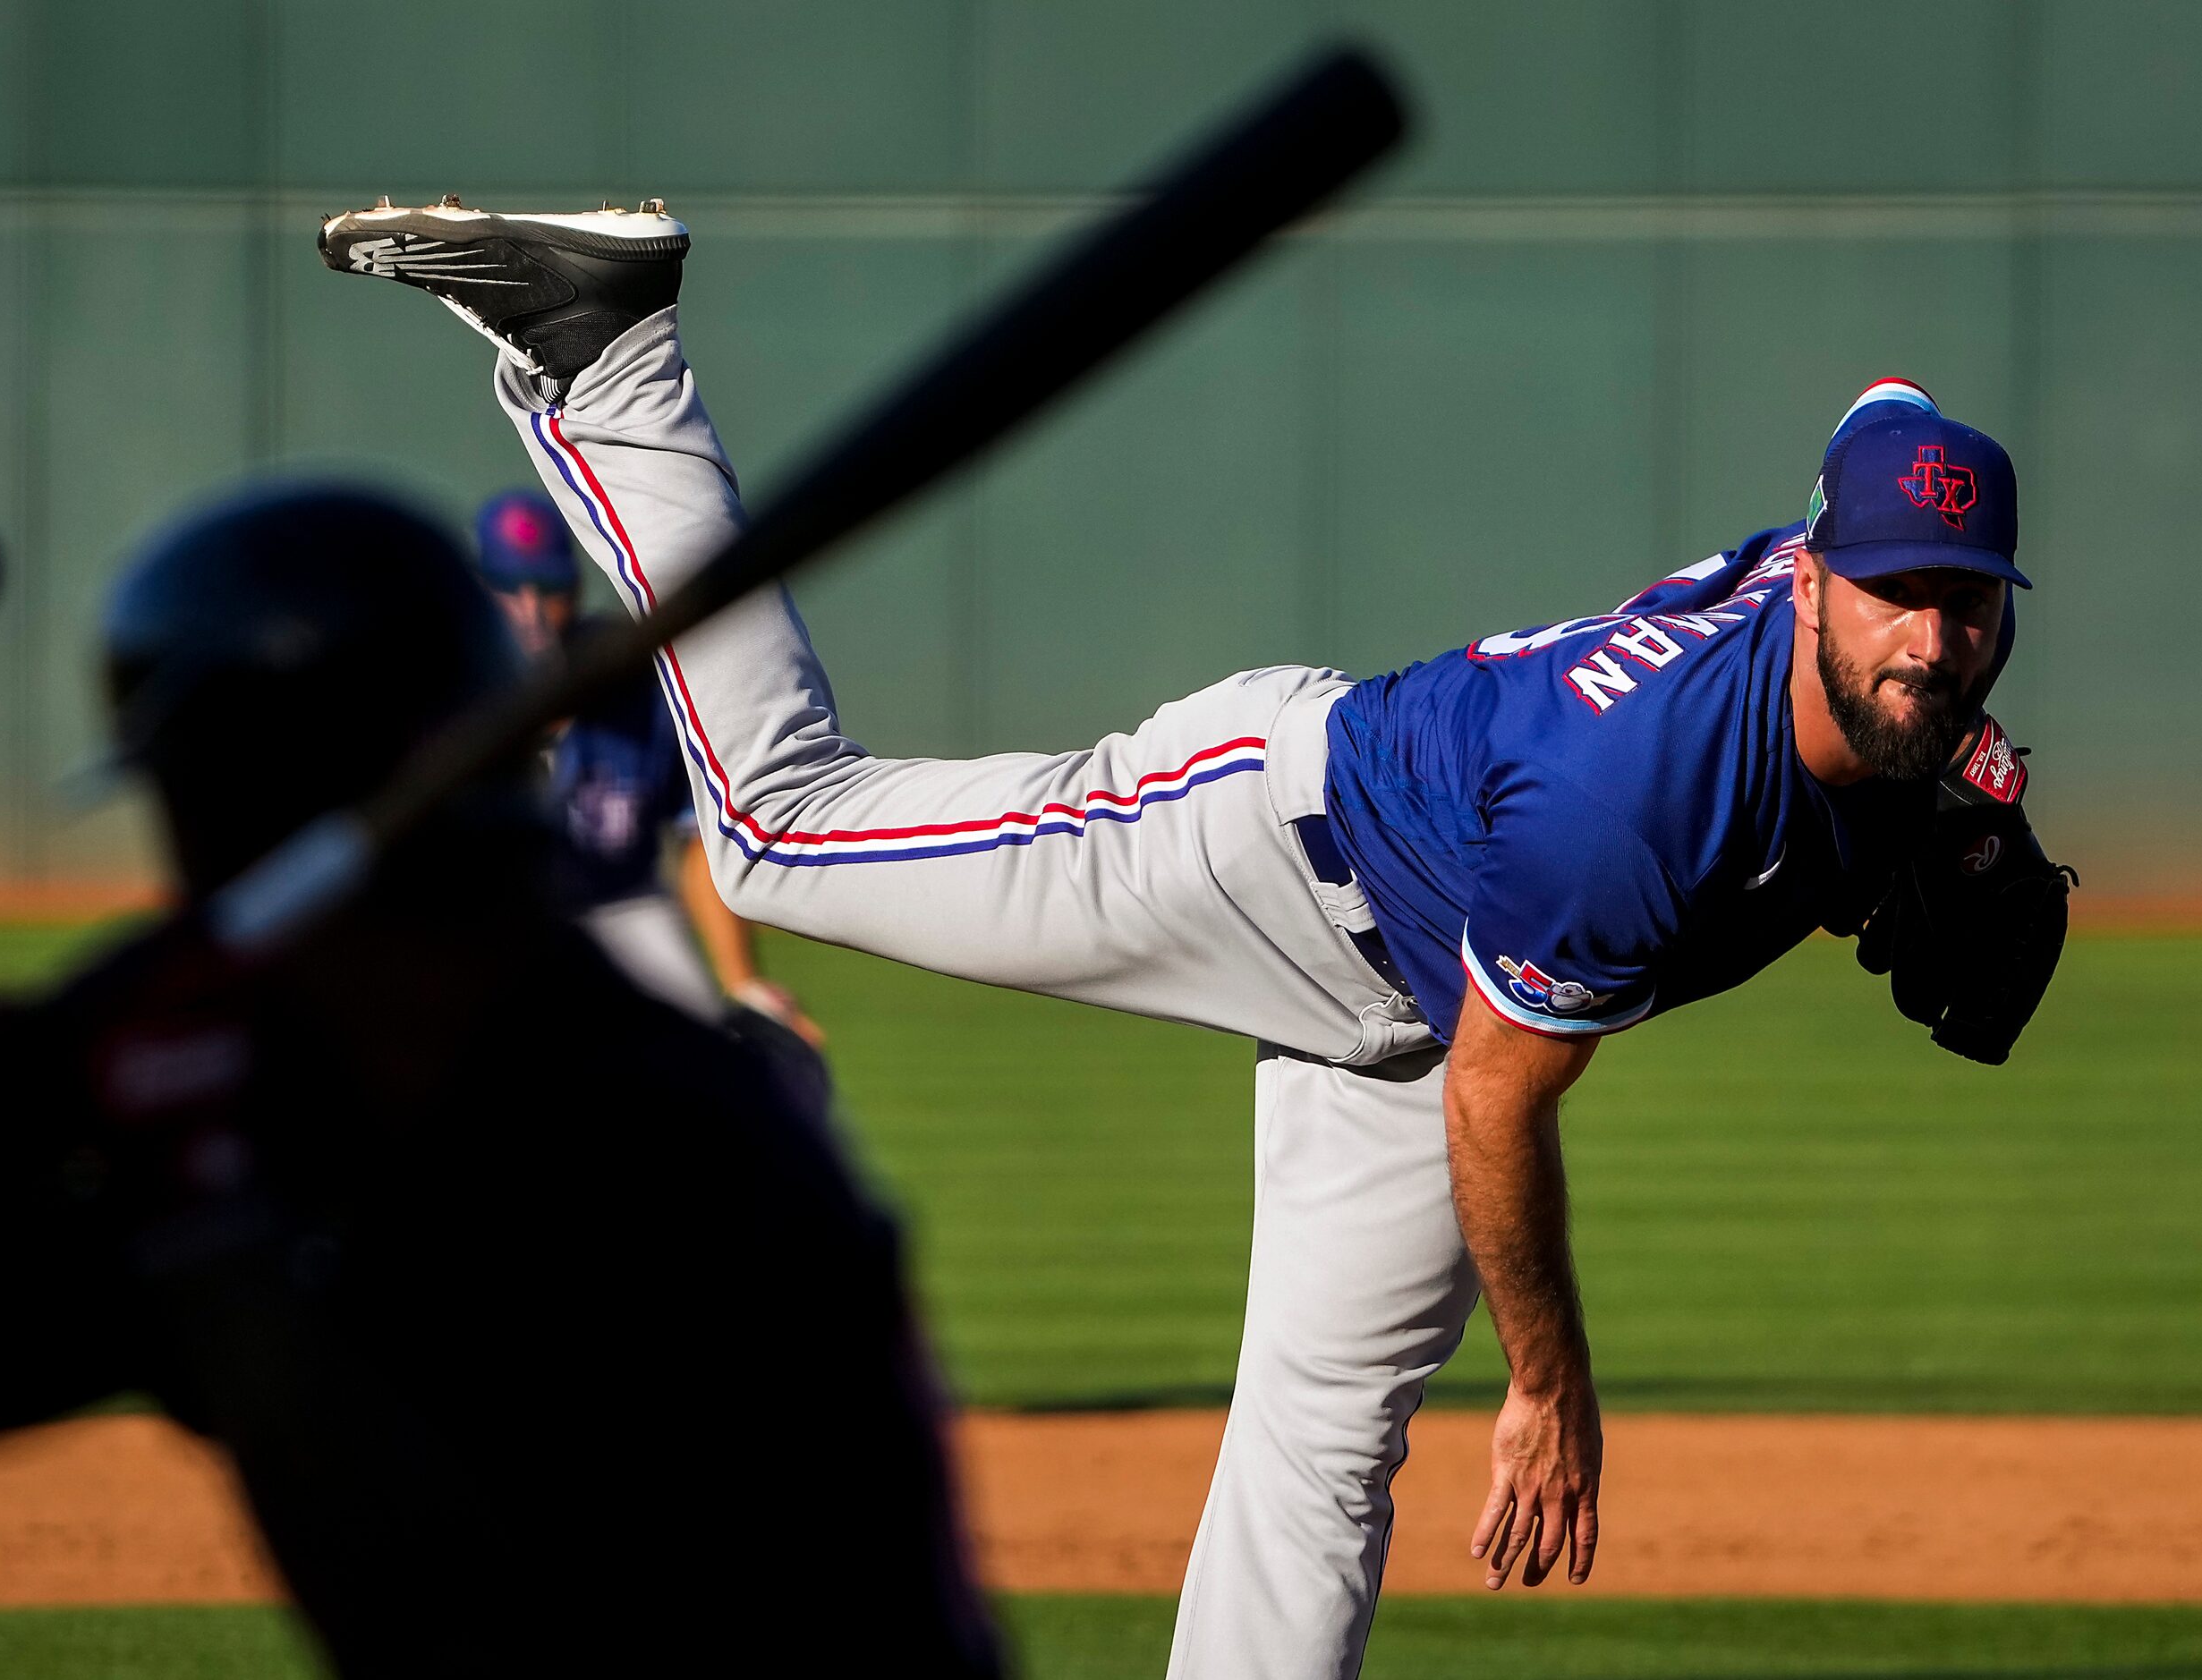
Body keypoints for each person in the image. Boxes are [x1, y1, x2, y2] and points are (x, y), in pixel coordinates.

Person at [319, 199, 2071, 1679]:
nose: (1929, 625)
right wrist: (1543, 1390)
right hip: (1259, 845)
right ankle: (616, 355)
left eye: (1962, 595)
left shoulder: (1872, 628)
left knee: (1319, 1448)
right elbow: (1495, 1107)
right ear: (1821, 571)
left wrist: (1935, 797)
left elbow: (1888, 403)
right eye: (1895, 584)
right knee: (775, 833)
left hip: (1408, 982)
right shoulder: (1639, 796)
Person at [0, 484, 1001, 1680]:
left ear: (243, 798)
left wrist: (212, 1235)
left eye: (188, 799)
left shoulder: (641, 1134)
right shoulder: (282, 1078)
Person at [472, 486, 820, 1040]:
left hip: (623, 912)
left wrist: (741, 982)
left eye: (551, 587)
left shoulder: (632, 677)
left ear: (578, 587)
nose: (533, 609)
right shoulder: (445, 690)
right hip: (484, 931)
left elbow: (701, 838)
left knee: (721, 1062)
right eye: (511, 588)